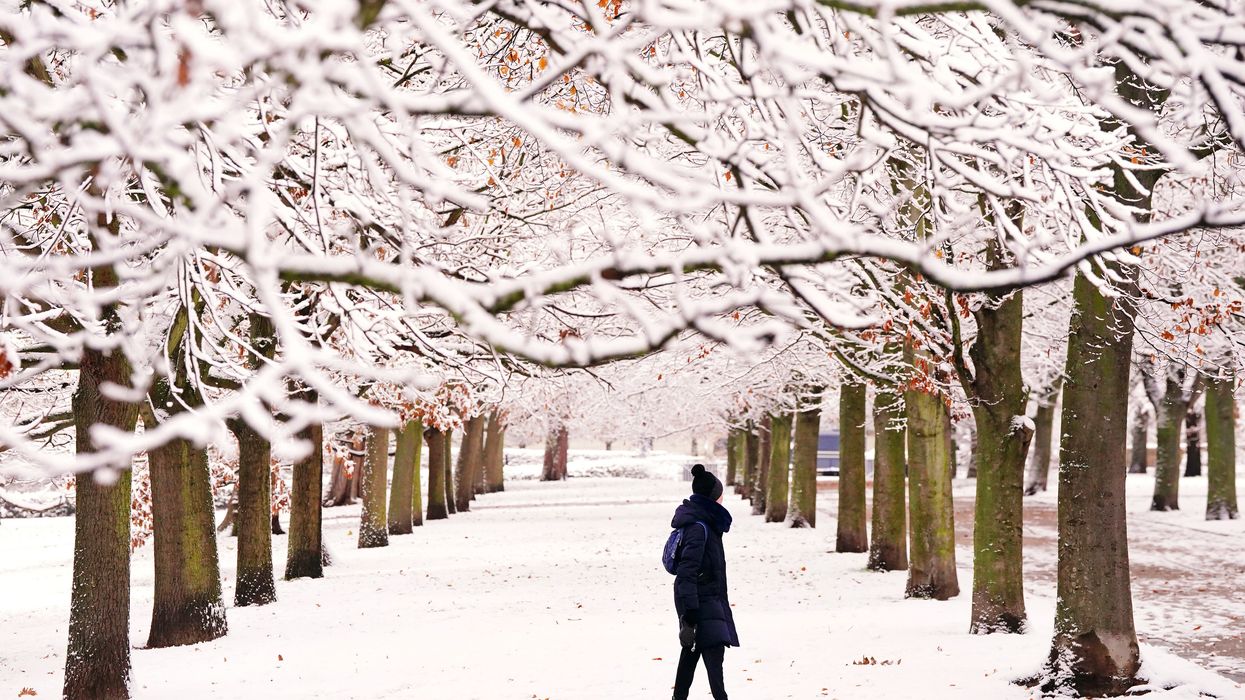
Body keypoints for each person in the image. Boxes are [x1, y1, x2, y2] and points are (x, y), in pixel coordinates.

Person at [671, 464, 738, 700]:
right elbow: (686, 573)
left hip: (706, 602)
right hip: (701, 604)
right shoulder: (699, 528)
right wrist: (689, 615)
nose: (723, 500)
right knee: (713, 658)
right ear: (712, 497)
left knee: (691, 657)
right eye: (720, 495)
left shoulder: (705, 524)